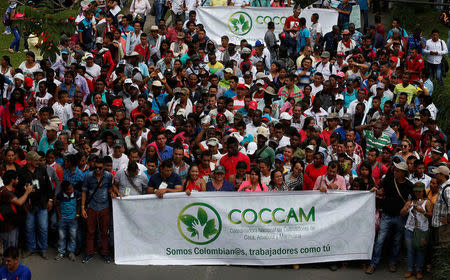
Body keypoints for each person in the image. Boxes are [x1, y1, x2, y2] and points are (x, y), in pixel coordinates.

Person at [366, 162, 414, 274]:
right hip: (386, 215)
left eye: (398, 170)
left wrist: (406, 206)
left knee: (397, 241)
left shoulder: (409, 185)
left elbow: (412, 199)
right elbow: (378, 189)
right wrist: (374, 190)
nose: (395, 172)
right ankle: (373, 264)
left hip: (400, 217)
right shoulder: (388, 180)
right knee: (379, 241)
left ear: (404, 173)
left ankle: (392, 262)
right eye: (395, 170)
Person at [81, 157, 113, 264]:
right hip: (92, 207)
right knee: (90, 231)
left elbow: (109, 189)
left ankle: (105, 253)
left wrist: (113, 193)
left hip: (104, 206)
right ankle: (89, 253)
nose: (98, 170)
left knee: (104, 232)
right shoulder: (88, 176)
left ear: (104, 167)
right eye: (96, 168)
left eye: (100, 168)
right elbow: (84, 192)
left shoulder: (108, 176)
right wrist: (82, 208)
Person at [400, 182, 433, 279]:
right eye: (416, 191)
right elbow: (401, 214)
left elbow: (431, 215)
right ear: (413, 192)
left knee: (420, 250)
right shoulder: (410, 202)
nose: (418, 193)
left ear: (423, 191)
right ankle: (410, 269)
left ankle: (419, 270)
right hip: (409, 229)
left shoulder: (427, 202)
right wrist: (406, 209)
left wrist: (423, 211)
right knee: (410, 251)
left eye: (420, 191)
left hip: (422, 230)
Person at [54, 180, 80, 262]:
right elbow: (57, 204)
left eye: (71, 188)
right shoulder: (60, 195)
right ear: (64, 190)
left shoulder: (76, 194)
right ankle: (61, 252)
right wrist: (59, 215)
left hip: (73, 219)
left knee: (72, 236)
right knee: (62, 236)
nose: (70, 190)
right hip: (63, 219)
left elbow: (79, 204)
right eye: (68, 190)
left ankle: (71, 252)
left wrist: (77, 214)